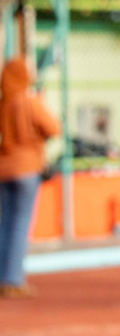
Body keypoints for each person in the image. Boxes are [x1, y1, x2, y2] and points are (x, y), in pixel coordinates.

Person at [0, 52, 62, 298]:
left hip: (3, 170)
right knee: (20, 224)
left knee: (4, 224)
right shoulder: (29, 100)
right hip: (26, 169)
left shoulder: (3, 103)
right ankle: (13, 279)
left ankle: (4, 277)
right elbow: (53, 128)